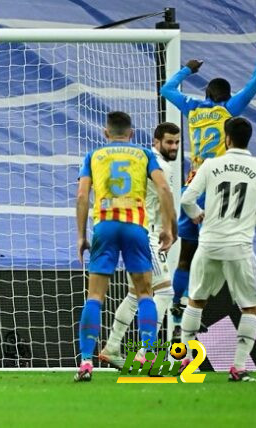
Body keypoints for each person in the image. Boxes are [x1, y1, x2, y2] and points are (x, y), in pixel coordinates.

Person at [160, 25, 256, 342]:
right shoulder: (229, 110)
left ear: (207, 94)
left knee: (187, 255)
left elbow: (166, 90)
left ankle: (180, 308)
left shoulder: (193, 107)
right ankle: (221, 312)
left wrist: (187, 69)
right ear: (226, 96)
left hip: (192, 184)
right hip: (220, 188)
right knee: (223, 253)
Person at [74, 112, 176, 382]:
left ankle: (86, 362)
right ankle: (147, 354)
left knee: (95, 297)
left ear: (106, 133)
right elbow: (164, 189)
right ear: (131, 134)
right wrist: (168, 227)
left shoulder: (94, 156)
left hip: (105, 226)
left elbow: (82, 195)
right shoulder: (144, 154)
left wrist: (81, 236)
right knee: (145, 294)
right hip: (135, 227)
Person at [180, 117, 256, 382]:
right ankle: (238, 366)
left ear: (227, 138)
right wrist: (246, 222)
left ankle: (187, 361)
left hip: (209, 243)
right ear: (248, 139)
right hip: (239, 247)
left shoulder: (211, 164)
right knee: (251, 307)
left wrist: (199, 215)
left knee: (196, 300)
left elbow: (186, 199)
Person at [98, 122, 180, 368]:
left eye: (176, 142)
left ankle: (112, 347)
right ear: (156, 141)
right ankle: (146, 351)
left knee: (135, 295)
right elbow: (167, 197)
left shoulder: (139, 161)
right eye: (168, 142)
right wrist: (170, 230)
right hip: (148, 234)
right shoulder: (160, 166)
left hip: (130, 229)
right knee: (165, 291)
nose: (173, 147)